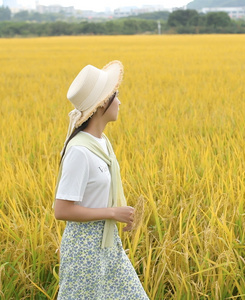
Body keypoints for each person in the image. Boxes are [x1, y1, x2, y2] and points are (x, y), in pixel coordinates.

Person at [53, 61, 149, 299]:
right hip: (84, 247)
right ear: (101, 105)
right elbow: (62, 210)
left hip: (107, 243)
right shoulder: (79, 151)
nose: (120, 102)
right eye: (115, 96)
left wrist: (116, 214)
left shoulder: (102, 142)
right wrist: (112, 213)